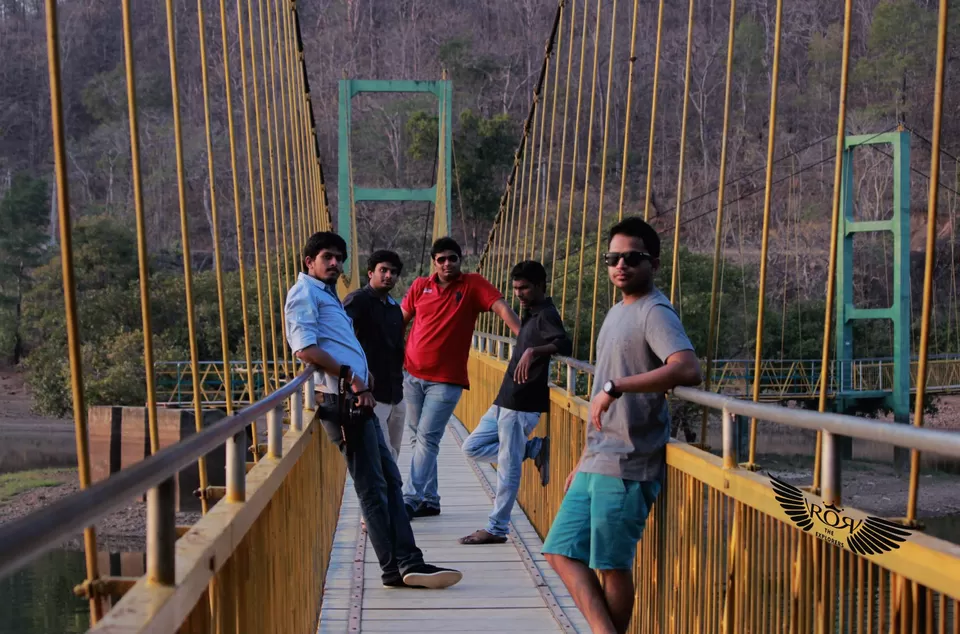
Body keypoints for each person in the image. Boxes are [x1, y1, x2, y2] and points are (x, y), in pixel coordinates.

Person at [541, 218, 702, 634]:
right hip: (599, 456)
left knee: (612, 566)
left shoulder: (654, 311)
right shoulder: (617, 311)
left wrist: (617, 387)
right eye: (613, 258)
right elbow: (601, 387)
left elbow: (687, 368)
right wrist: (584, 456)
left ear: (654, 263)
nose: (621, 266)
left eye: (633, 258)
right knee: (560, 550)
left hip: (630, 461)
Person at [285, 231, 462, 590]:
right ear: (309, 262)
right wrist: (354, 379)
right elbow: (304, 349)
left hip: (357, 399)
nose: (335, 263)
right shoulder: (304, 293)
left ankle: (410, 561)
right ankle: (394, 568)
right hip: (344, 401)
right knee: (372, 486)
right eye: (327, 257)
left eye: (339, 258)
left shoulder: (327, 295)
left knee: (391, 480)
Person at [400, 236, 521, 519]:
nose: (446, 264)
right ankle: (430, 499)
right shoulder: (420, 286)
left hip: (446, 380)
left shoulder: (473, 284)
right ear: (434, 262)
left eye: (451, 258)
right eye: (440, 259)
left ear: (460, 259)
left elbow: (502, 307)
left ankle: (409, 498)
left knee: (428, 438)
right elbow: (399, 320)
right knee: (417, 439)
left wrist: (526, 337)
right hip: (412, 375)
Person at [459, 261, 571, 545]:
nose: (519, 294)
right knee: (471, 447)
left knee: (508, 468)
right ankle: (533, 448)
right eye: (516, 289)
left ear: (540, 287)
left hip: (522, 405)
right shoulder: (531, 312)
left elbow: (563, 343)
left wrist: (534, 350)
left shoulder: (546, 314)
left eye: (525, 288)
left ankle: (497, 528)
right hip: (505, 399)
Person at [344, 250, 406, 461]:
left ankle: (390, 494)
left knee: (394, 453)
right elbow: (340, 336)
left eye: (394, 272)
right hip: (371, 395)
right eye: (383, 270)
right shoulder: (357, 301)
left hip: (396, 394)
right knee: (382, 455)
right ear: (371, 273)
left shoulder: (395, 309)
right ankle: (387, 493)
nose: (389, 275)